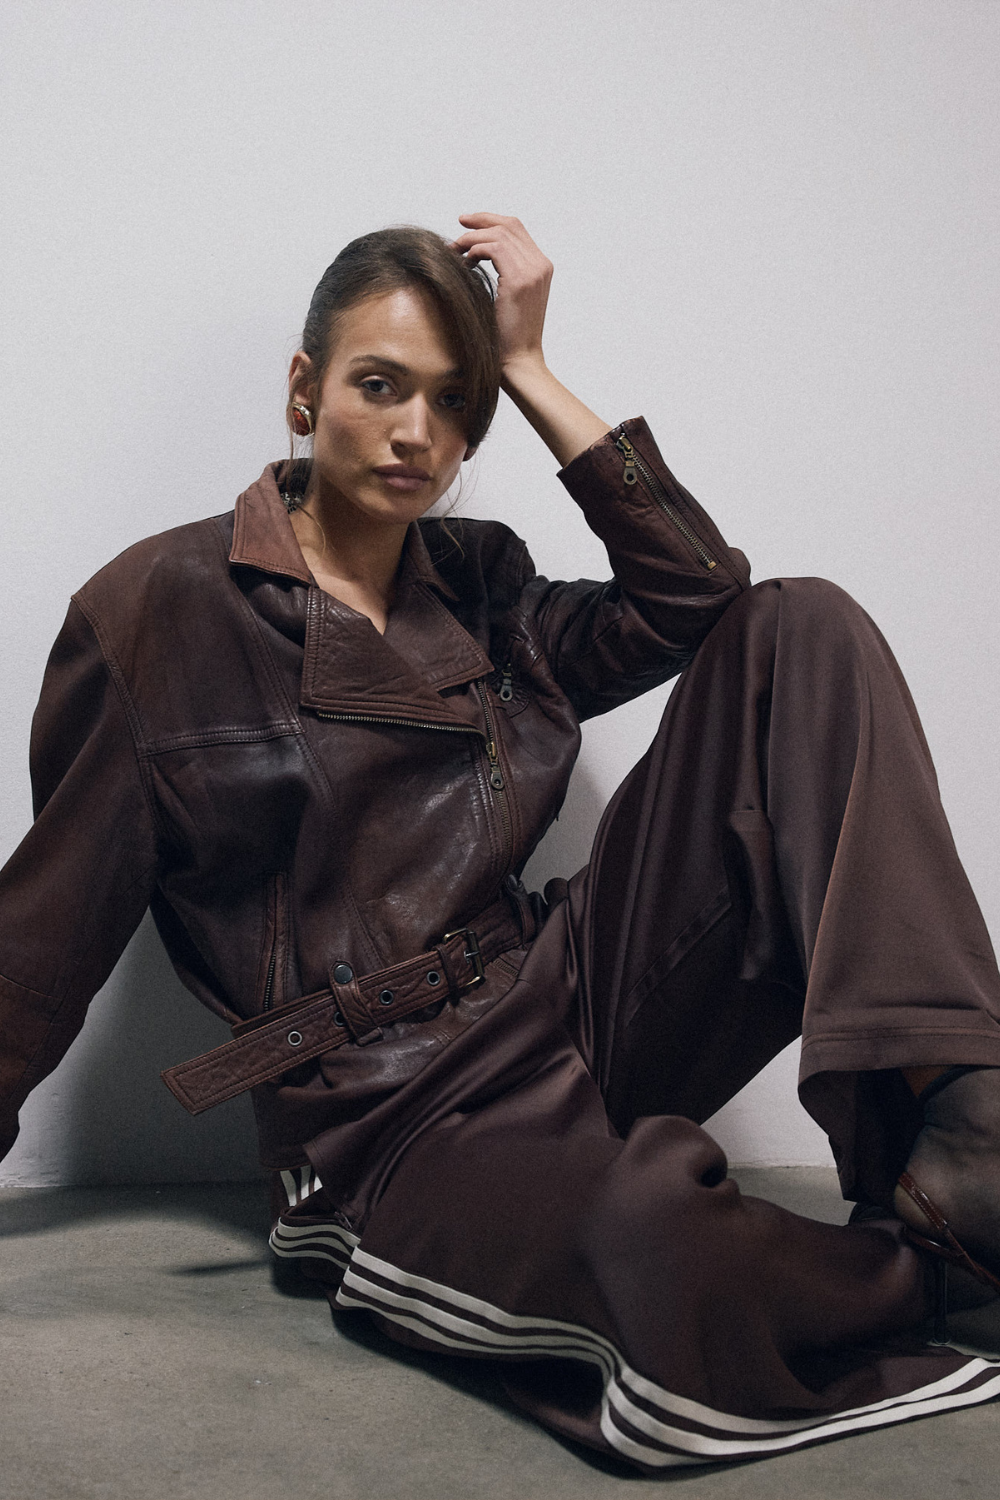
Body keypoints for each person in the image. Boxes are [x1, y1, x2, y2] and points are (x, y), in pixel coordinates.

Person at [2, 212, 1000, 1470]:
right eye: (379, 385)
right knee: (657, 1241)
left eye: (452, 401)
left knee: (804, 625)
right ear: (305, 390)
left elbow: (702, 596)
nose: (416, 432)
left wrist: (524, 364)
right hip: (387, 1115)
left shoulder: (482, 579)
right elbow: (35, 950)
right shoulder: (155, 611)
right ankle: (928, 1268)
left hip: (565, 996)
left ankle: (972, 1135)